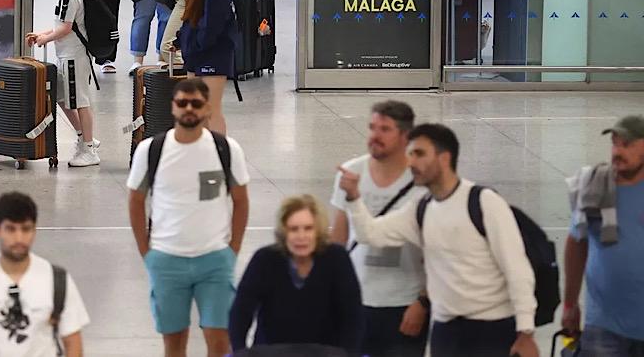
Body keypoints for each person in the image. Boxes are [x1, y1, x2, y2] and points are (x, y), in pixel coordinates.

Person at [337, 124, 539, 357]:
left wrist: (526, 332)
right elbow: (370, 234)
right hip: (445, 331)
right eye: (410, 154)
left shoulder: (484, 202)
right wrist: (353, 197)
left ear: (444, 158)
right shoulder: (421, 209)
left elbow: (517, 269)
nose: (411, 163)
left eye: (420, 154)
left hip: (490, 328)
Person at [126, 77, 249, 357]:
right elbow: (135, 199)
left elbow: (241, 201)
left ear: (208, 109)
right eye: (182, 103)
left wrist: (233, 250)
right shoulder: (151, 151)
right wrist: (147, 252)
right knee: (174, 342)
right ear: (173, 107)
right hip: (166, 260)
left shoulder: (227, 149)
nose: (188, 108)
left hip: (215, 259)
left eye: (196, 103)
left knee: (219, 341)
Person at [328, 101, 428, 357]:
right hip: (356, 302)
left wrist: (422, 302)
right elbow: (338, 240)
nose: (375, 135)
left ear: (406, 136)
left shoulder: (423, 183)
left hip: (404, 305)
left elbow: (437, 251)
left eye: (385, 129)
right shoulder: (351, 173)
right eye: (372, 127)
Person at [0, 192, 90, 356]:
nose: (19, 238)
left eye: (25, 229)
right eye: (11, 229)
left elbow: (73, 344)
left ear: (34, 230)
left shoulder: (57, 281)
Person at [229, 195, 363, 353]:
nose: (301, 237)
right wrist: (240, 352)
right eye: (293, 229)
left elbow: (353, 316)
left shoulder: (337, 258)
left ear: (318, 231)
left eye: (308, 228)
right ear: (284, 231)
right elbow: (240, 313)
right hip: (273, 352)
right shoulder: (264, 259)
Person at [561, 115, 644, 354]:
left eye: (626, 145)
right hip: (604, 326)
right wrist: (570, 304)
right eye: (615, 143)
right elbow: (577, 244)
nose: (618, 151)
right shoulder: (593, 187)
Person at [26, 0, 100, 168]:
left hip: (73, 57)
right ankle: (83, 136)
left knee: (81, 102)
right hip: (67, 56)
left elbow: (66, 29)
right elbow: (62, 25)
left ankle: (88, 148)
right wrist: (43, 34)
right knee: (61, 96)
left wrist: (44, 39)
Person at [175, 0, 236, 133]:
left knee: (210, 109)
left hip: (212, 54)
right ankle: (202, 151)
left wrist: (199, 43)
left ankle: (219, 153)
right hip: (196, 52)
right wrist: (182, 40)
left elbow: (213, 20)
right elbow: (193, 15)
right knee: (198, 109)